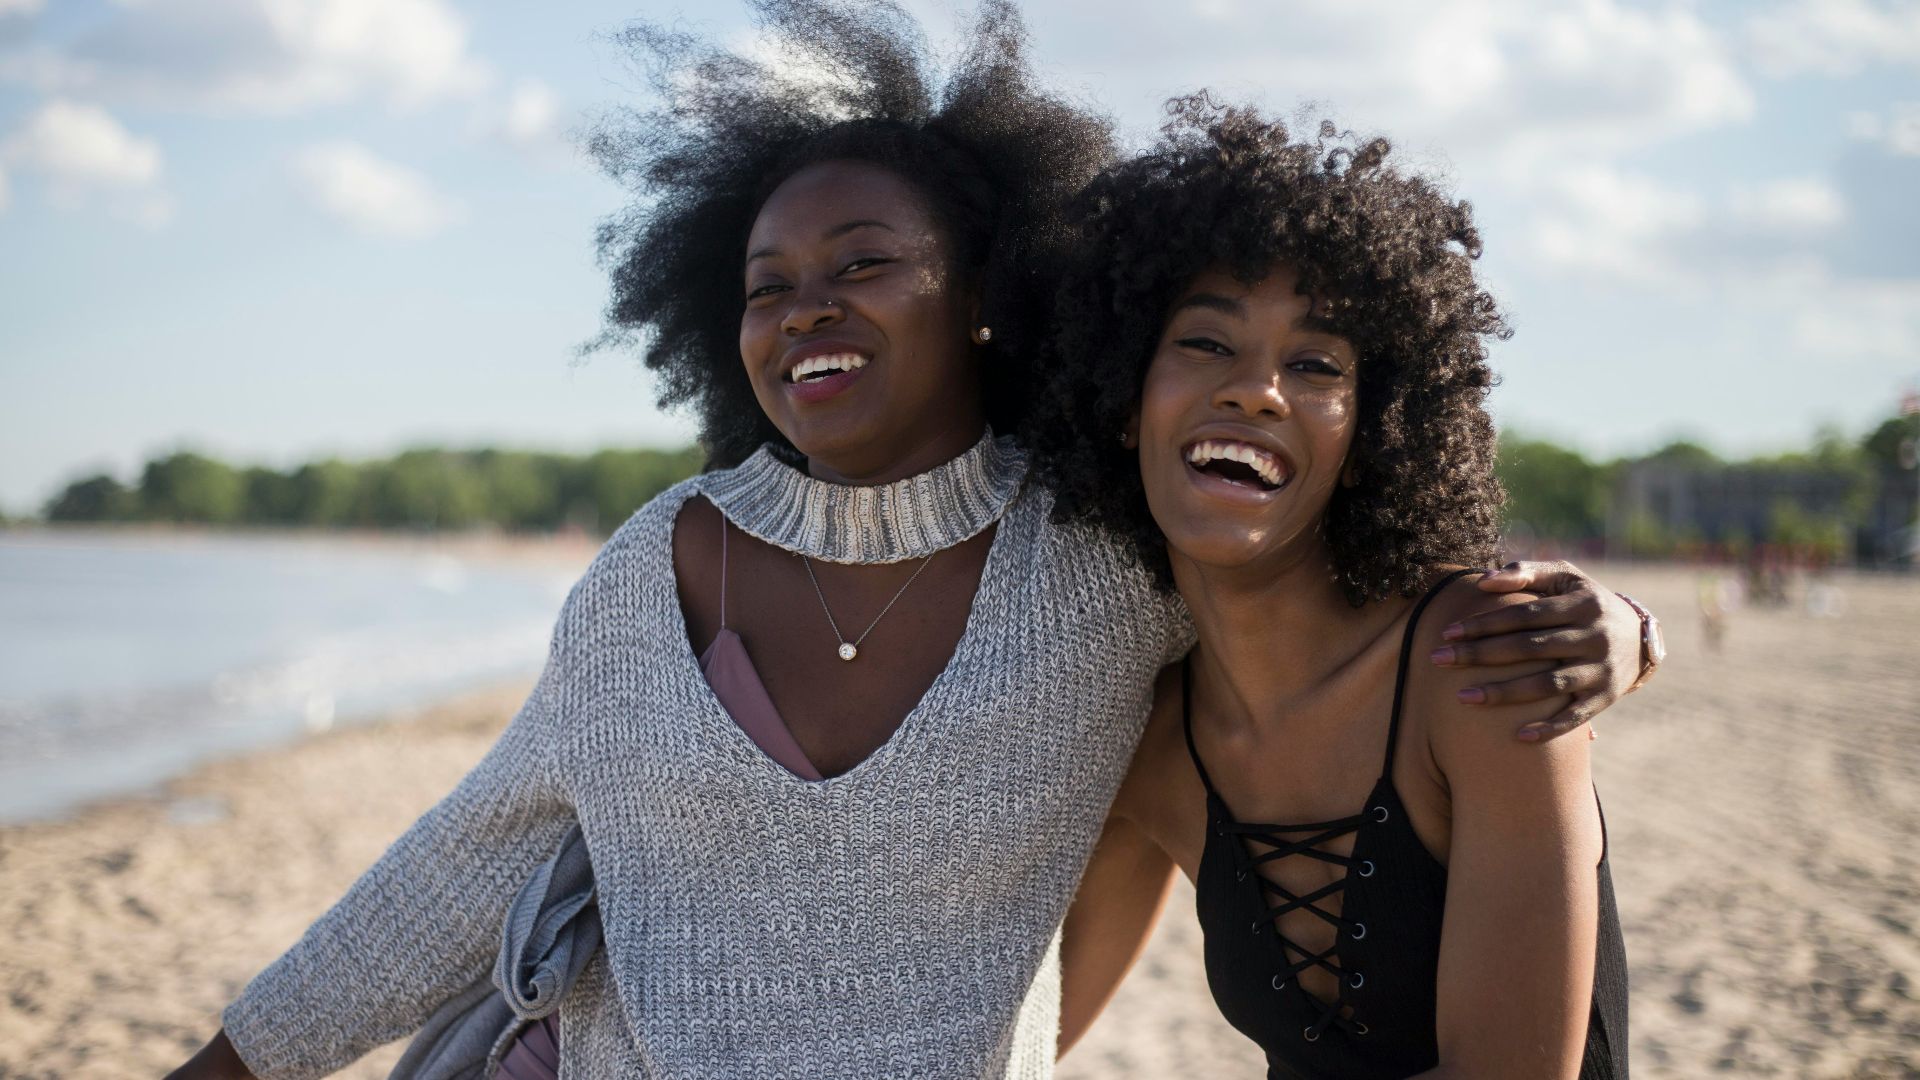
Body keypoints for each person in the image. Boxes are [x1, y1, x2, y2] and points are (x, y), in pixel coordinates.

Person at [166, 5, 1651, 1078]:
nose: (809, 303)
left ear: (989, 299)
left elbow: (1314, 590)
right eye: (768, 283)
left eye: (867, 263)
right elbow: (458, 870)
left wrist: (1623, 630)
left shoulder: (1104, 564)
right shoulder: (652, 566)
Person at [1042, 99, 1631, 1077]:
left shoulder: (1481, 665)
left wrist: (1634, 629)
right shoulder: (1146, 744)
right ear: (1119, 398)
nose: (1256, 389)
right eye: (1204, 342)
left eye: (1315, 363)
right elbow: (1014, 1028)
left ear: (1371, 436)